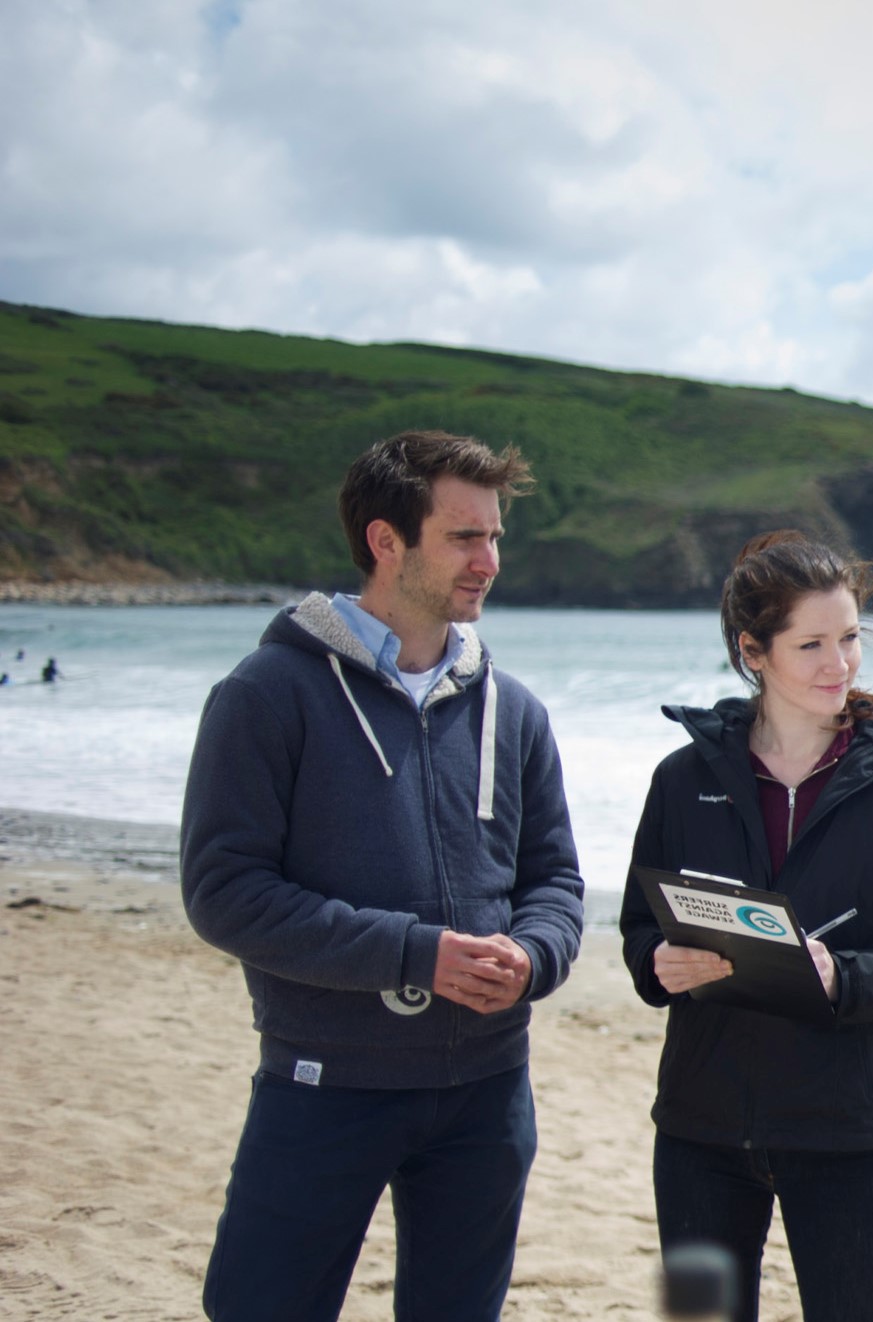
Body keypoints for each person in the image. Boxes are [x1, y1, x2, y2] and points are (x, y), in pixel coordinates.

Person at [180, 430, 586, 1322]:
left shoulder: (513, 709)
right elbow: (224, 892)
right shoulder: (266, 694)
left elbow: (555, 879)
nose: (489, 560)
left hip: (487, 1090)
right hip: (326, 1080)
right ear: (385, 540)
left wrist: (533, 958)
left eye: (494, 537)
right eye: (463, 537)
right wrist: (414, 954)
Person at [621, 530, 873, 1322]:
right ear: (752, 651)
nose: (843, 664)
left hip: (848, 1134)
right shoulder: (683, 778)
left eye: (852, 637)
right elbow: (636, 929)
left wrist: (846, 978)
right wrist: (661, 961)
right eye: (813, 644)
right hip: (699, 1133)